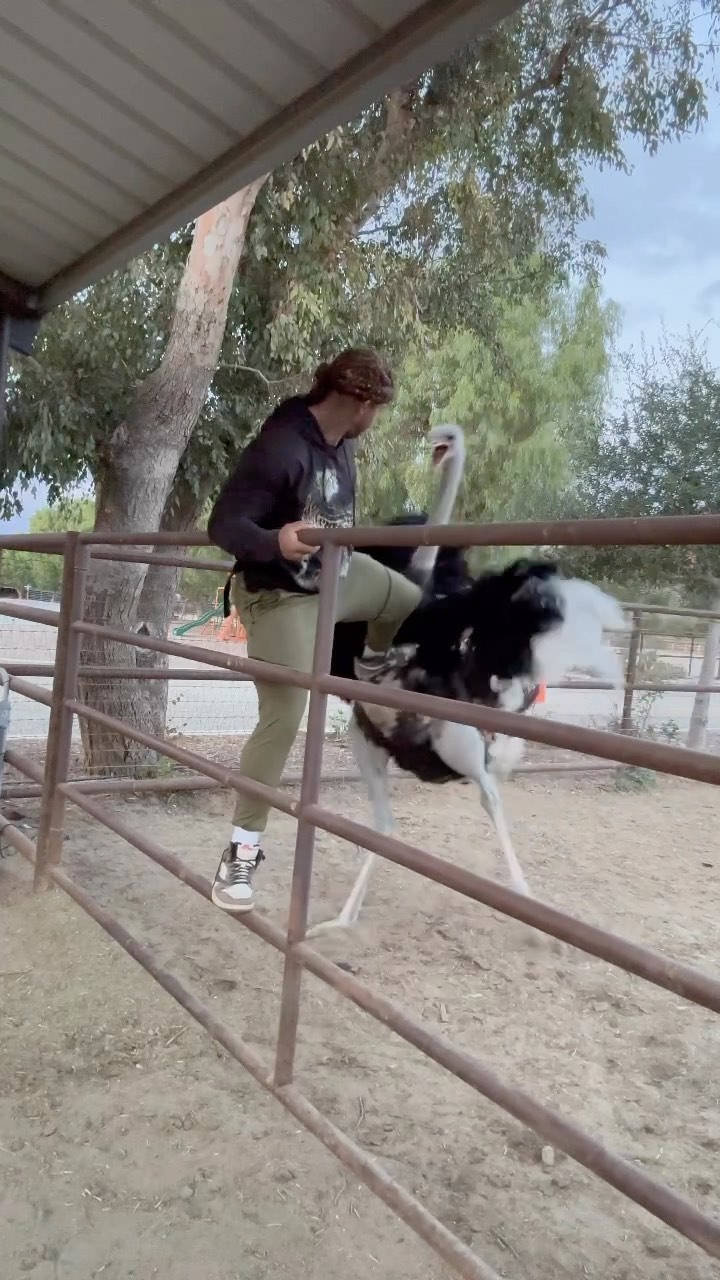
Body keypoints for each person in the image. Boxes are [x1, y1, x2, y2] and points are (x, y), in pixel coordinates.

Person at [207, 347, 421, 913]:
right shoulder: (279, 446)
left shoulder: (343, 443)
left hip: (338, 577)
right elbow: (223, 524)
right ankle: (239, 854)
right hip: (281, 595)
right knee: (285, 713)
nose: (375, 420)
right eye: (377, 409)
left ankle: (369, 666)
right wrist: (273, 541)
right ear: (360, 402)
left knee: (408, 600)